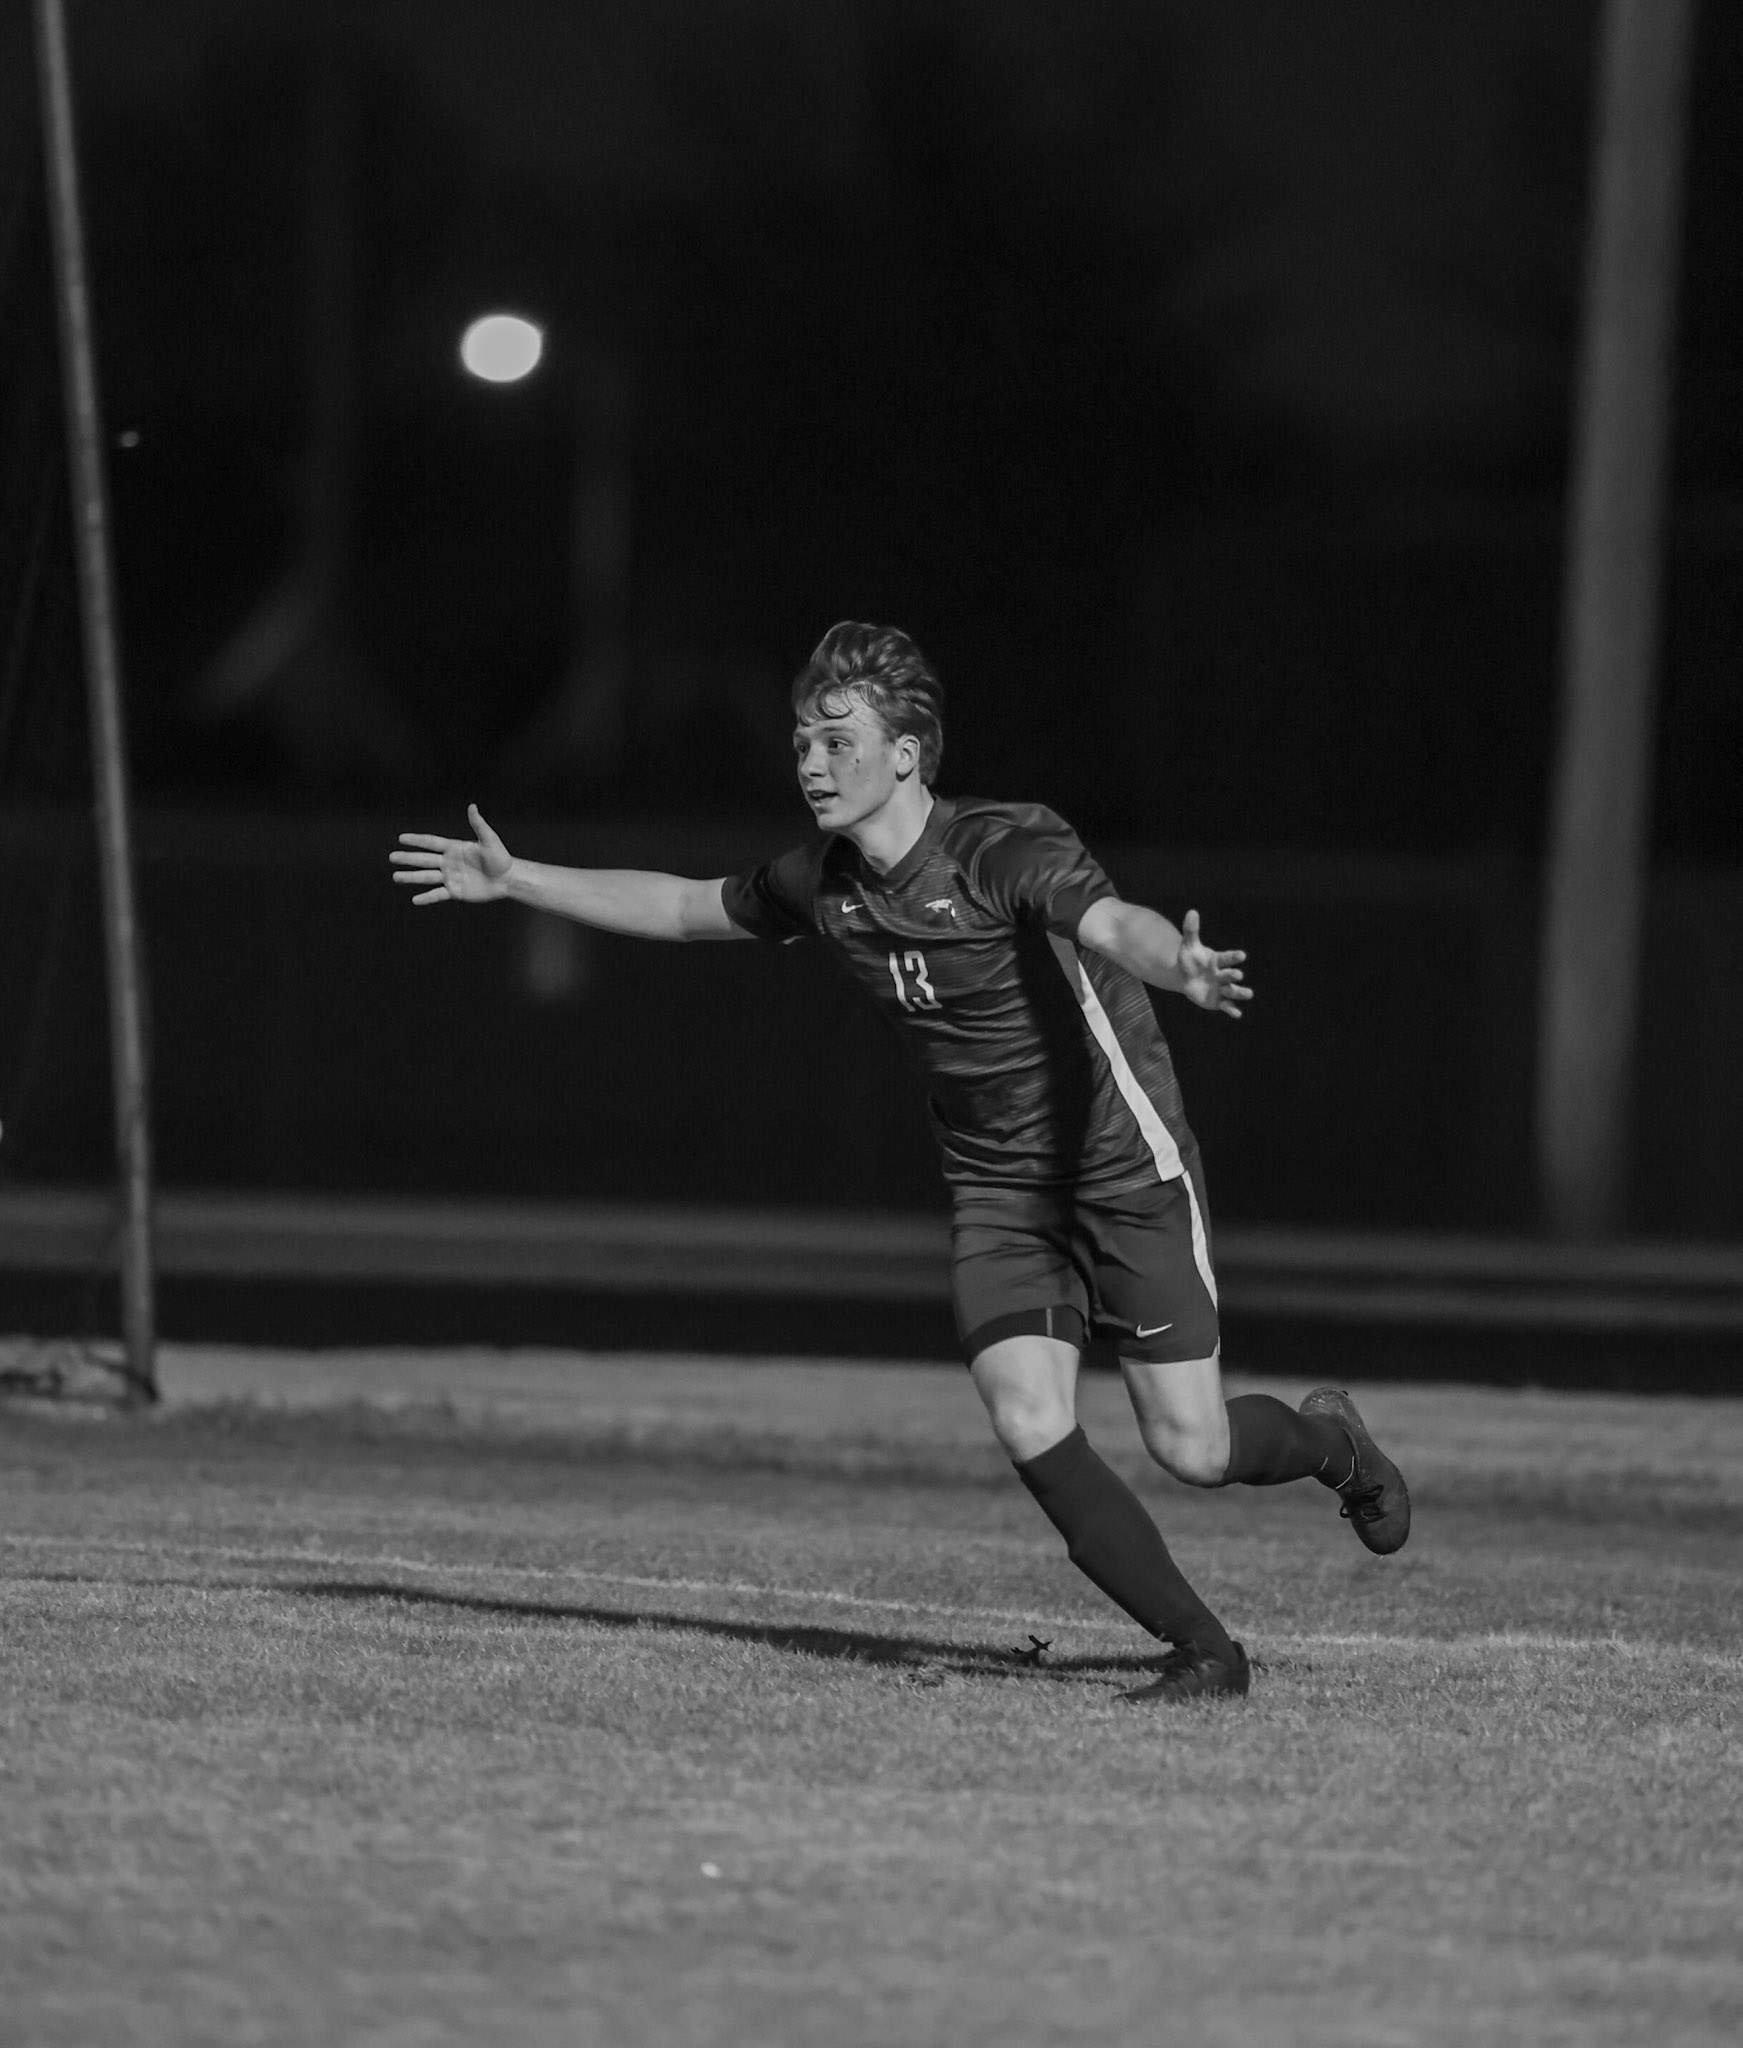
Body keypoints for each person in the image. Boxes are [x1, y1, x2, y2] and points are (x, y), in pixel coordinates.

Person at [390, 621, 1409, 1703]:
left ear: (908, 753)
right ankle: (1208, 1652)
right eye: (801, 741)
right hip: (996, 1192)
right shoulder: (827, 881)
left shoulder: (1001, 847)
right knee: (1028, 1415)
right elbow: (692, 906)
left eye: (837, 740)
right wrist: (518, 880)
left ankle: (1331, 1442)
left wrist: (1185, 965)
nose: (812, 762)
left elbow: (1112, 921)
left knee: (1192, 1447)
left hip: (1120, 1170)